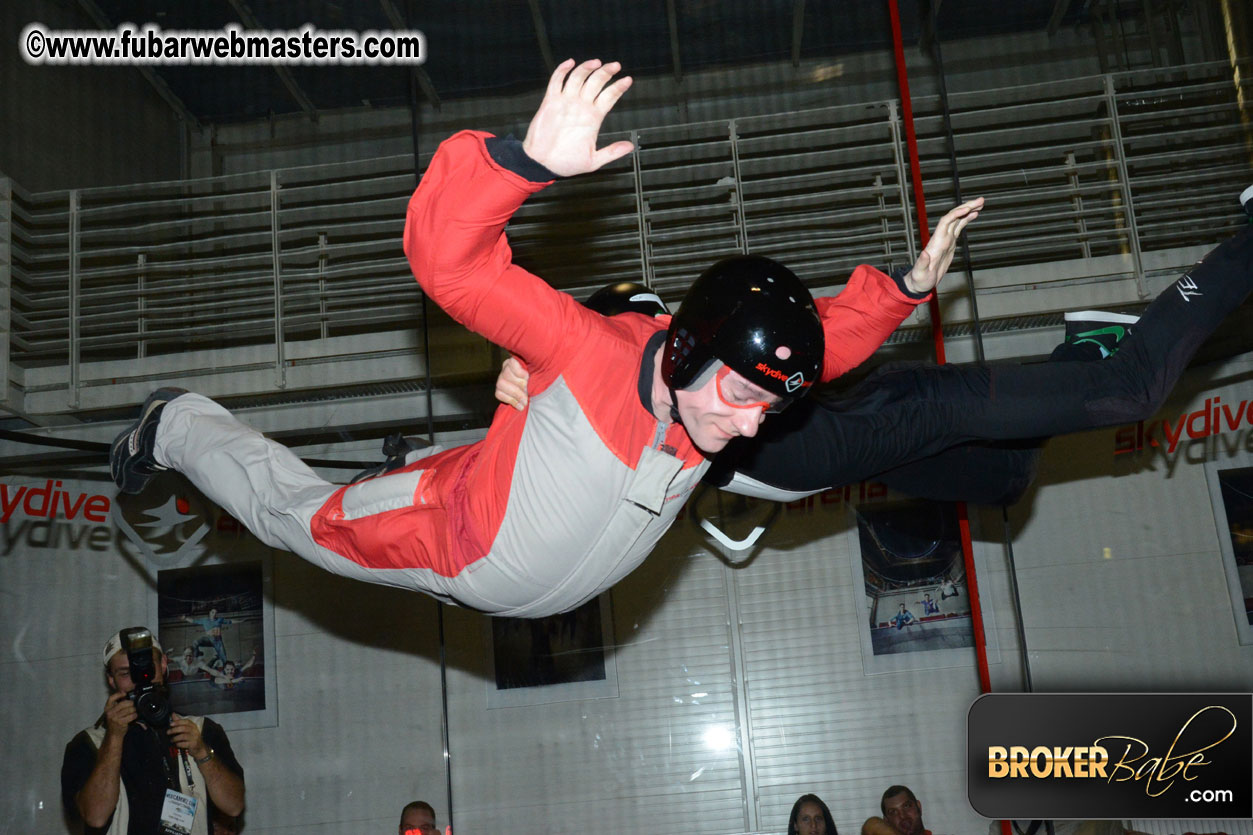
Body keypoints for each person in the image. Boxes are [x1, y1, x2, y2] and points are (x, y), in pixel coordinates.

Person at [107, 59, 978, 619]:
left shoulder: (715, 397)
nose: (754, 426)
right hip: (449, 540)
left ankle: (425, 455)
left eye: (765, 400)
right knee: (293, 520)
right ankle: (174, 423)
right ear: (687, 353)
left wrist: (901, 290)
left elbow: (821, 344)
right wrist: (521, 164)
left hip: (515, 524)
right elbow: (448, 265)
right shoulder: (581, 348)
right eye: (746, 397)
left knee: (508, 429)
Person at [498, 195, 1253, 509]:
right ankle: (1083, 350)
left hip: (870, 422)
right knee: (1006, 476)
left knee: (1132, 390)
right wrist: (521, 389)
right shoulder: (599, 391)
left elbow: (815, 338)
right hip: (847, 446)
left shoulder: (694, 358)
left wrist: (907, 285)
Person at [61, 629, 245, 834]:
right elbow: (95, 816)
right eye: (125, 673)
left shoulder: (200, 730)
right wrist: (113, 737)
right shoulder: (88, 743)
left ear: (164, 665)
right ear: (111, 680)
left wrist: (202, 753)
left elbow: (234, 805)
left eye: (147, 670)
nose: (139, 681)